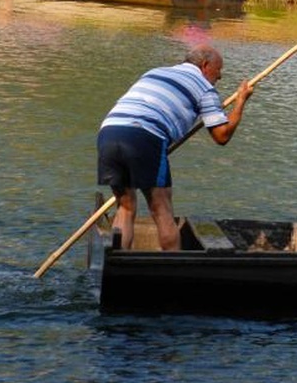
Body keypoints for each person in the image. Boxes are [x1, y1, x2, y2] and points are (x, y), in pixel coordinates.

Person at [97, 45, 253, 251]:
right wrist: (240, 101)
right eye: (218, 69)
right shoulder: (204, 88)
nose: (220, 76)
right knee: (161, 210)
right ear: (205, 65)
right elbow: (221, 136)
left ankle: (117, 262)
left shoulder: (155, 72)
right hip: (144, 136)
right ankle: (171, 263)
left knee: (125, 207)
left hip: (109, 132)